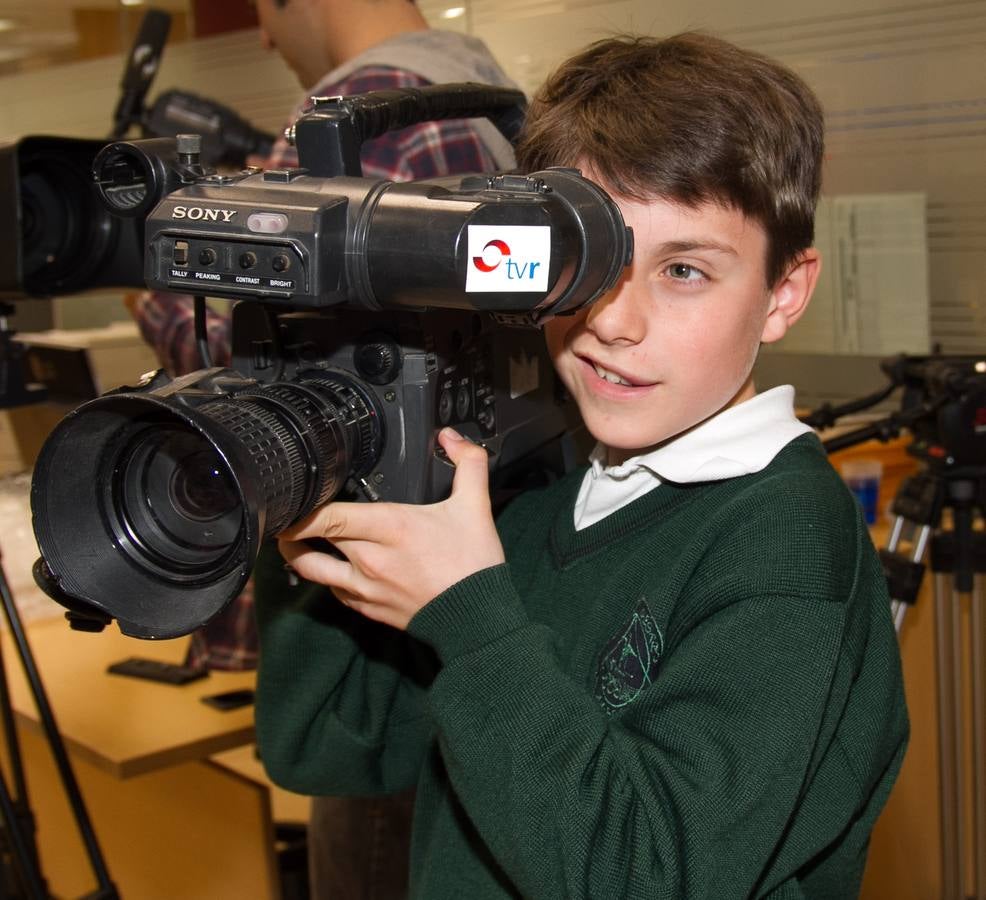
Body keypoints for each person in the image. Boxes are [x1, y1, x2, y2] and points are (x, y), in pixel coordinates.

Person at [254, 31, 910, 898]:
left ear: (783, 293)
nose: (615, 321)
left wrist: (470, 615)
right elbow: (326, 742)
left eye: (683, 270)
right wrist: (305, 478)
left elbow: (649, 873)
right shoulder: (542, 493)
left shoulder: (784, 542)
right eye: (586, 261)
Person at [129, 1, 518, 897]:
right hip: (458, 612)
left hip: (372, 652)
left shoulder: (354, 122)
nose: (264, 34)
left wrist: (148, 299)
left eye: (262, 6)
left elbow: (242, 388)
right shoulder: (480, 96)